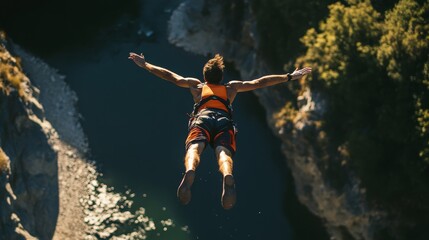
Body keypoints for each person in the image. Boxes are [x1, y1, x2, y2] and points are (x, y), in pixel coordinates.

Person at [128, 52, 311, 209]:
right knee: (223, 153)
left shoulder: (197, 86)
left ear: (205, 76)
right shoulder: (231, 88)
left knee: (194, 148)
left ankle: (191, 169)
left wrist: (145, 65)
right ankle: (227, 174)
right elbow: (260, 82)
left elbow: (170, 76)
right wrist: (289, 76)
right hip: (223, 121)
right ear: (221, 77)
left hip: (203, 118)